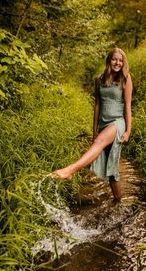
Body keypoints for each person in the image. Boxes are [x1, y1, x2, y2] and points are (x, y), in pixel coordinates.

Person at [48, 48, 133, 202]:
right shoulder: (99, 79)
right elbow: (97, 105)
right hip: (103, 124)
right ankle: (118, 200)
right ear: (109, 60)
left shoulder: (126, 79)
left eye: (120, 60)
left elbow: (127, 106)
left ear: (123, 62)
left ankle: (70, 170)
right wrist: (95, 130)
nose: (118, 63)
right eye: (115, 59)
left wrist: (128, 131)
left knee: (100, 143)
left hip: (117, 123)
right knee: (112, 168)